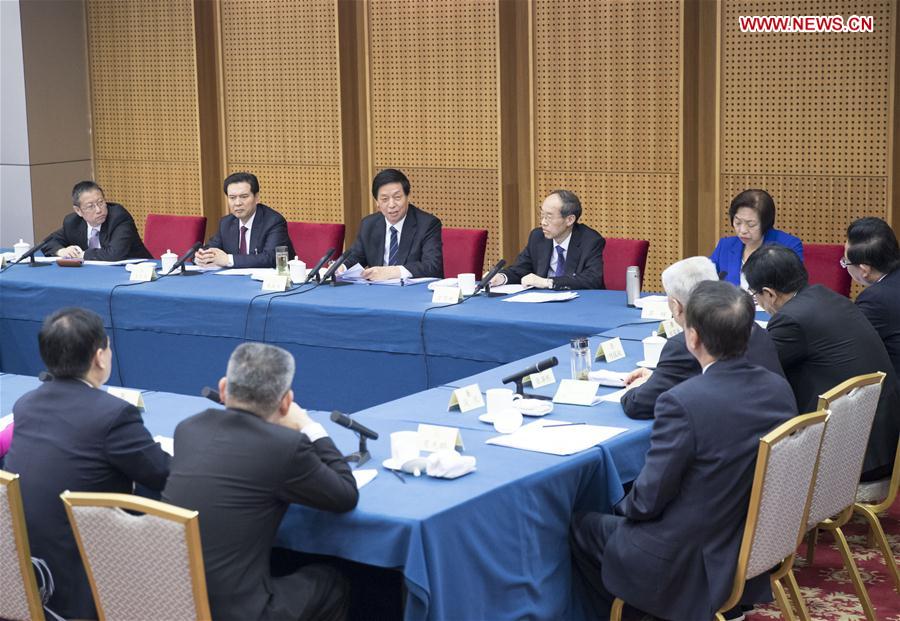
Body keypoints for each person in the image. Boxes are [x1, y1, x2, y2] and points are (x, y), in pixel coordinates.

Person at [571, 281, 796, 621]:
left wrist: (617, 506)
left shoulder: (683, 401)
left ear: (692, 338)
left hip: (690, 556)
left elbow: (646, 501)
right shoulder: (778, 388)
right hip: (753, 540)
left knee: (580, 525)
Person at [162, 343, 359, 621]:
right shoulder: (286, 446)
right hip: (238, 612)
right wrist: (310, 427)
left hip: (170, 601)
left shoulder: (188, 429)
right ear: (286, 402)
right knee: (331, 583)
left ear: (223, 388)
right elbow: (345, 495)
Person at [4, 308, 170, 620]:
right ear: (99, 357)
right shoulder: (113, 415)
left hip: (23, 569)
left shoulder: (26, 404)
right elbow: (163, 473)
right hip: (81, 579)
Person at [744, 244, 900, 480]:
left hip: (850, 460)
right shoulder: (827, 296)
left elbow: (754, 371)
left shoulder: (791, 320)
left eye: (755, 295)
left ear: (770, 294)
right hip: (881, 445)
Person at [620, 256, 783, 419]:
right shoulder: (752, 327)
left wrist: (635, 389)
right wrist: (656, 379)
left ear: (676, 306)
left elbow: (639, 404)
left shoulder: (685, 344)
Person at [490, 190, 605, 290]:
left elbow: (592, 279)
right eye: (542, 215)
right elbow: (520, 269)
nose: (543, 222)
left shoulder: (590, 241)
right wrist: (501, 277)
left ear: (569, 220)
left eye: (549, 217)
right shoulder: (538, 237)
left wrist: (549, 283)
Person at [341, 168, 443, 280]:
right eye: (384, 199)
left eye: (397, 197)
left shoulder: (427, 224)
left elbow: (432, 266)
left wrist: (394, 271)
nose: (391, 205)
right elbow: (355, 257)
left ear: (408, 196)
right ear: (377, 202)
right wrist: (341, 268)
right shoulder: (368, 224)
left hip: (410, 289)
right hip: (377, 288)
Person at [844, 217, 900, 390]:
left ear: (864, 270)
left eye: (845, 262)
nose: (845, 265)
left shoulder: (875, 300)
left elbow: (849, 345)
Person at [194, 172, 293, 269]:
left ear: (256, 197)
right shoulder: (226, 223)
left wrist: (228, 260)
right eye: (232, 198)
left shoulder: (273, 221)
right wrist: (202, 257)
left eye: (244, 197)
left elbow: (271, 258)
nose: (237, 203)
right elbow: (211, 249)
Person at [711, 189, 802, 287]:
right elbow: (708, 282)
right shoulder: (725, 245)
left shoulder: (788, 245)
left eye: (751, 224)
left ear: (766, 223)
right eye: (738, 222)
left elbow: (794, 287)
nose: (743, 230)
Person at [44, 180, 153, 261]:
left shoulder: (118, 217)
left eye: (100, 203)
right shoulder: (73, 222)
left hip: (135, 273)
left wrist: (81, 255)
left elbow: (114, 254)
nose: (98, 210)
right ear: (78, 211)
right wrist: (62, 251)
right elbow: (47, 243)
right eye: (90, 206)